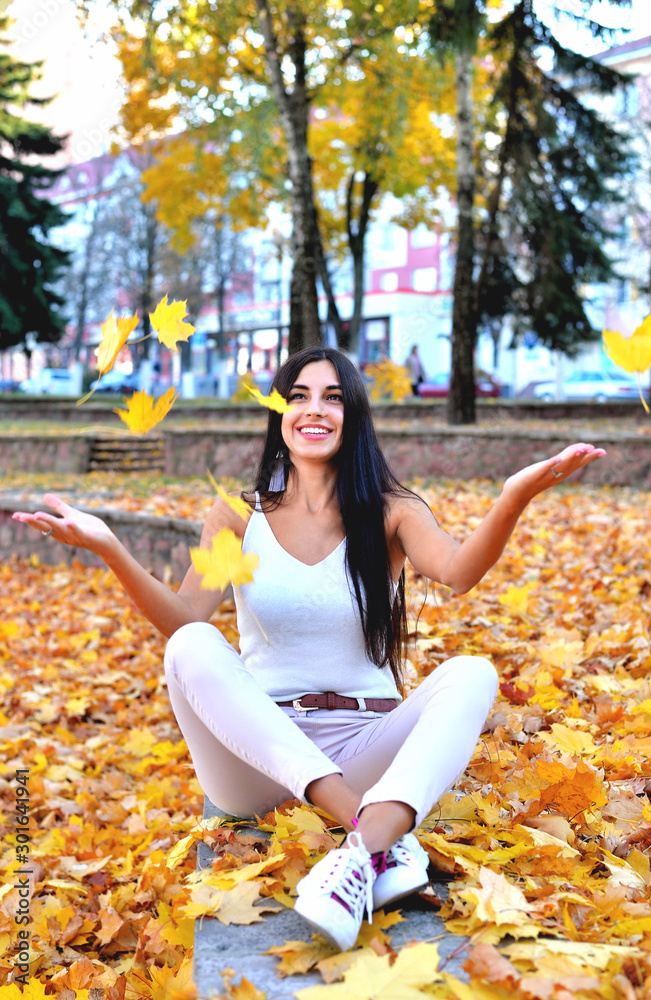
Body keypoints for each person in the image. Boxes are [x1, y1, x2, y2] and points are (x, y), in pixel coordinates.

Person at [12, 346, 606, 953]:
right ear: (279, 412)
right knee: (192, 642)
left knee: (473, 672)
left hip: (365, 744)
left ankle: (359, 848)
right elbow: (185, 617)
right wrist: (112, 549)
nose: (313, 410)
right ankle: (372, 829)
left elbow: (457, 571)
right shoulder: (239, 517)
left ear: (354, 416)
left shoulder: (391, 511)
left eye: (333, 397)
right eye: (298, 396)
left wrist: (513, 497)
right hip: (260, 757)